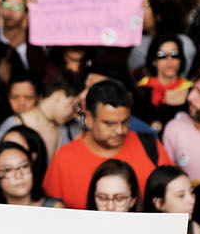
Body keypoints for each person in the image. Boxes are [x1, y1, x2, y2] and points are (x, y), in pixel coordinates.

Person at [44, 80, 166, 210]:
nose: (120, 130)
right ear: (89, 119)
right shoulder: (64, 159)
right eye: (110, 123)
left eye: (125, 122)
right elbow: (52, 215)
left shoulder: (149, 145)